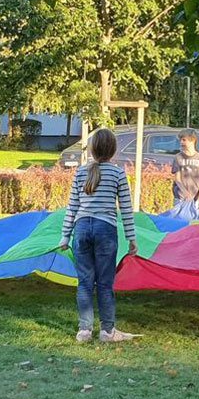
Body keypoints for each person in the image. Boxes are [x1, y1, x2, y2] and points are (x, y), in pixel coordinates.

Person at [59, 129, 139, 343]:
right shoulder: (117, 174)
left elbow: (72, 207)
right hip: (106, 230)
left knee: (85, 282)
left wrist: (65, 236)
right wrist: (132, 238)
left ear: (92, 149)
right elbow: (126, 209)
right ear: (113, 150)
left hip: (82, 229)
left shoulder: (80, 173)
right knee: (105, 283)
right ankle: (107, 331)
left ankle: (84, 330)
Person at [170, 129, 199, 220]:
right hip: (181, 198)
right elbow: (177, 179)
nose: (181, 142)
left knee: (195, 226)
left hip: (196, 198)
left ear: (192, 140)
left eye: (184, 140)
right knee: (179, 224)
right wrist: (185, 193)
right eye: (180, 140)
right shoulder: (178, 157)